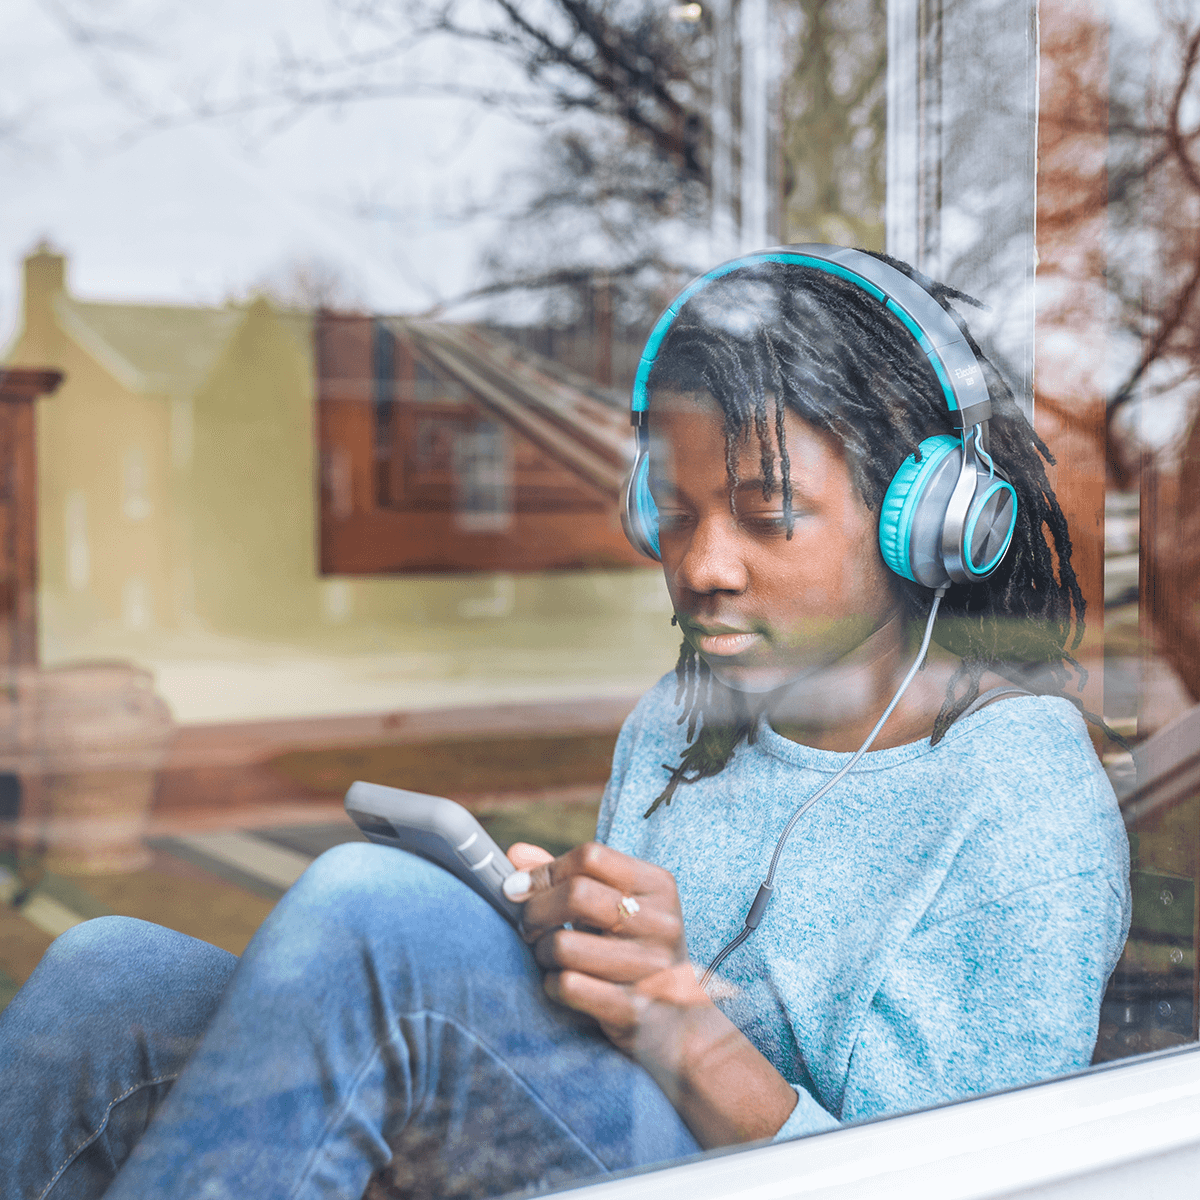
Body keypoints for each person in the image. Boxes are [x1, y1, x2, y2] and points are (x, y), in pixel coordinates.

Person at [0, 248, 1129, 1200]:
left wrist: (683, 1026)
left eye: (766, 517)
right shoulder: (683, 723)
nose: (701, 565)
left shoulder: (1016, 793)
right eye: (672, 514)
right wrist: (559, 945)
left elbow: (966, 1182)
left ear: (926, 522)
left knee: (377, 909)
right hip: (618, 1149)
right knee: (112, 975)